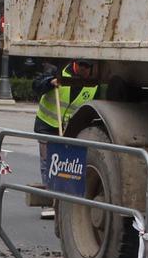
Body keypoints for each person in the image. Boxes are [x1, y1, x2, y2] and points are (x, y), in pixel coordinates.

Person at [31, 60, 100, 219]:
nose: (84, 70)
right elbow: (36, 85)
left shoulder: (94, 83)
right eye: (81, 66)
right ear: (75, 64)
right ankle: (50, 201)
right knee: (49, 163)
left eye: (87, 67)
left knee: (68, 165)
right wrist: (49, 82)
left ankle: (63, 200)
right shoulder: (58, 71)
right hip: (48, 125)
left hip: (69, 128)